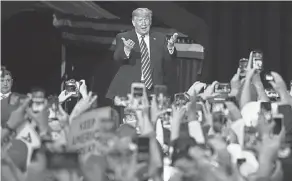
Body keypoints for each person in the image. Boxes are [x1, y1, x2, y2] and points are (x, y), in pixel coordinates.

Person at [106, 8, 178, 100]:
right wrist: (126, 49)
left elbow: (168, 60)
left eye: (146, 19)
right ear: (133, 22)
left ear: (150, 22)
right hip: (129, 89)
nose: (143, 23)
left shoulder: (160, 38)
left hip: (153, 90)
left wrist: (170, 47)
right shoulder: (124, 37)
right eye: (140, 20)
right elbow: (117, 58)